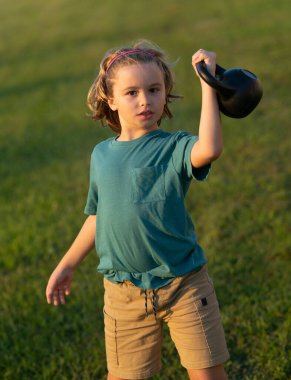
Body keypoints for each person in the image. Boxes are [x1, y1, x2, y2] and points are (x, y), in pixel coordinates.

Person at [46, 40, 230, 380]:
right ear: (111, 100)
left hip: (184, 284)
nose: (145, 99)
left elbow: (210, 148)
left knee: (207, 374)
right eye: (132, 92)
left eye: (154, 89)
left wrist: (209, 85)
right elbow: (98, 215)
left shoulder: (174, 147)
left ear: (166, 95)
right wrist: (67, 263)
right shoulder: (101, 156)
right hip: (124, 295)